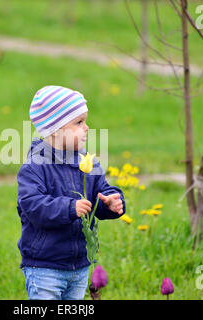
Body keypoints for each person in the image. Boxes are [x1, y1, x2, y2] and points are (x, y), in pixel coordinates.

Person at [17, 85, 126, 300]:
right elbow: (32, 205)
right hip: (45, 266)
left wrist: (111, 202)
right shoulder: (35, 167)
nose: (86, 128)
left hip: (79, 265)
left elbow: (101, 190)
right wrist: (69, 208)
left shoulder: (87, 162)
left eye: (85, 121)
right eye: (79, 122)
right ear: (56, 130)